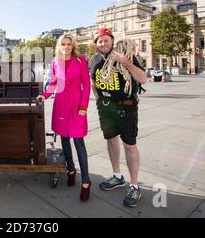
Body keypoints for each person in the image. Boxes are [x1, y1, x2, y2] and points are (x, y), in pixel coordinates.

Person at [89, 28, 147, 208]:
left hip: (126, 107)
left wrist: (126, 62)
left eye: (106, 40)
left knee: (129, 145)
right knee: (111, 141)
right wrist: (99, 102)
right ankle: (117, 176)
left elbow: (143, 79)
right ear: (96, 44)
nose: (103, 43)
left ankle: (135, 185)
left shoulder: (124, 55)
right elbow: (93, 82)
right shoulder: (95, 60)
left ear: (112, 41)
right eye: (100, 41)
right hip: (106, 108)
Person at [37, 34, 92, 202]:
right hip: (61, 104)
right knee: (65, 140)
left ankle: (86, 182)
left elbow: (87, 84)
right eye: (63, 44)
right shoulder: (55, 61)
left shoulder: (80, 60)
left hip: (76, 105)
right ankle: (70, 169)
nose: (66, 47)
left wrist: (84, 106)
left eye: (69, 44)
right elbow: (53, 82)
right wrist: (44, 95)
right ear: (59, 45)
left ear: (73, 45)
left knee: (78, 142)